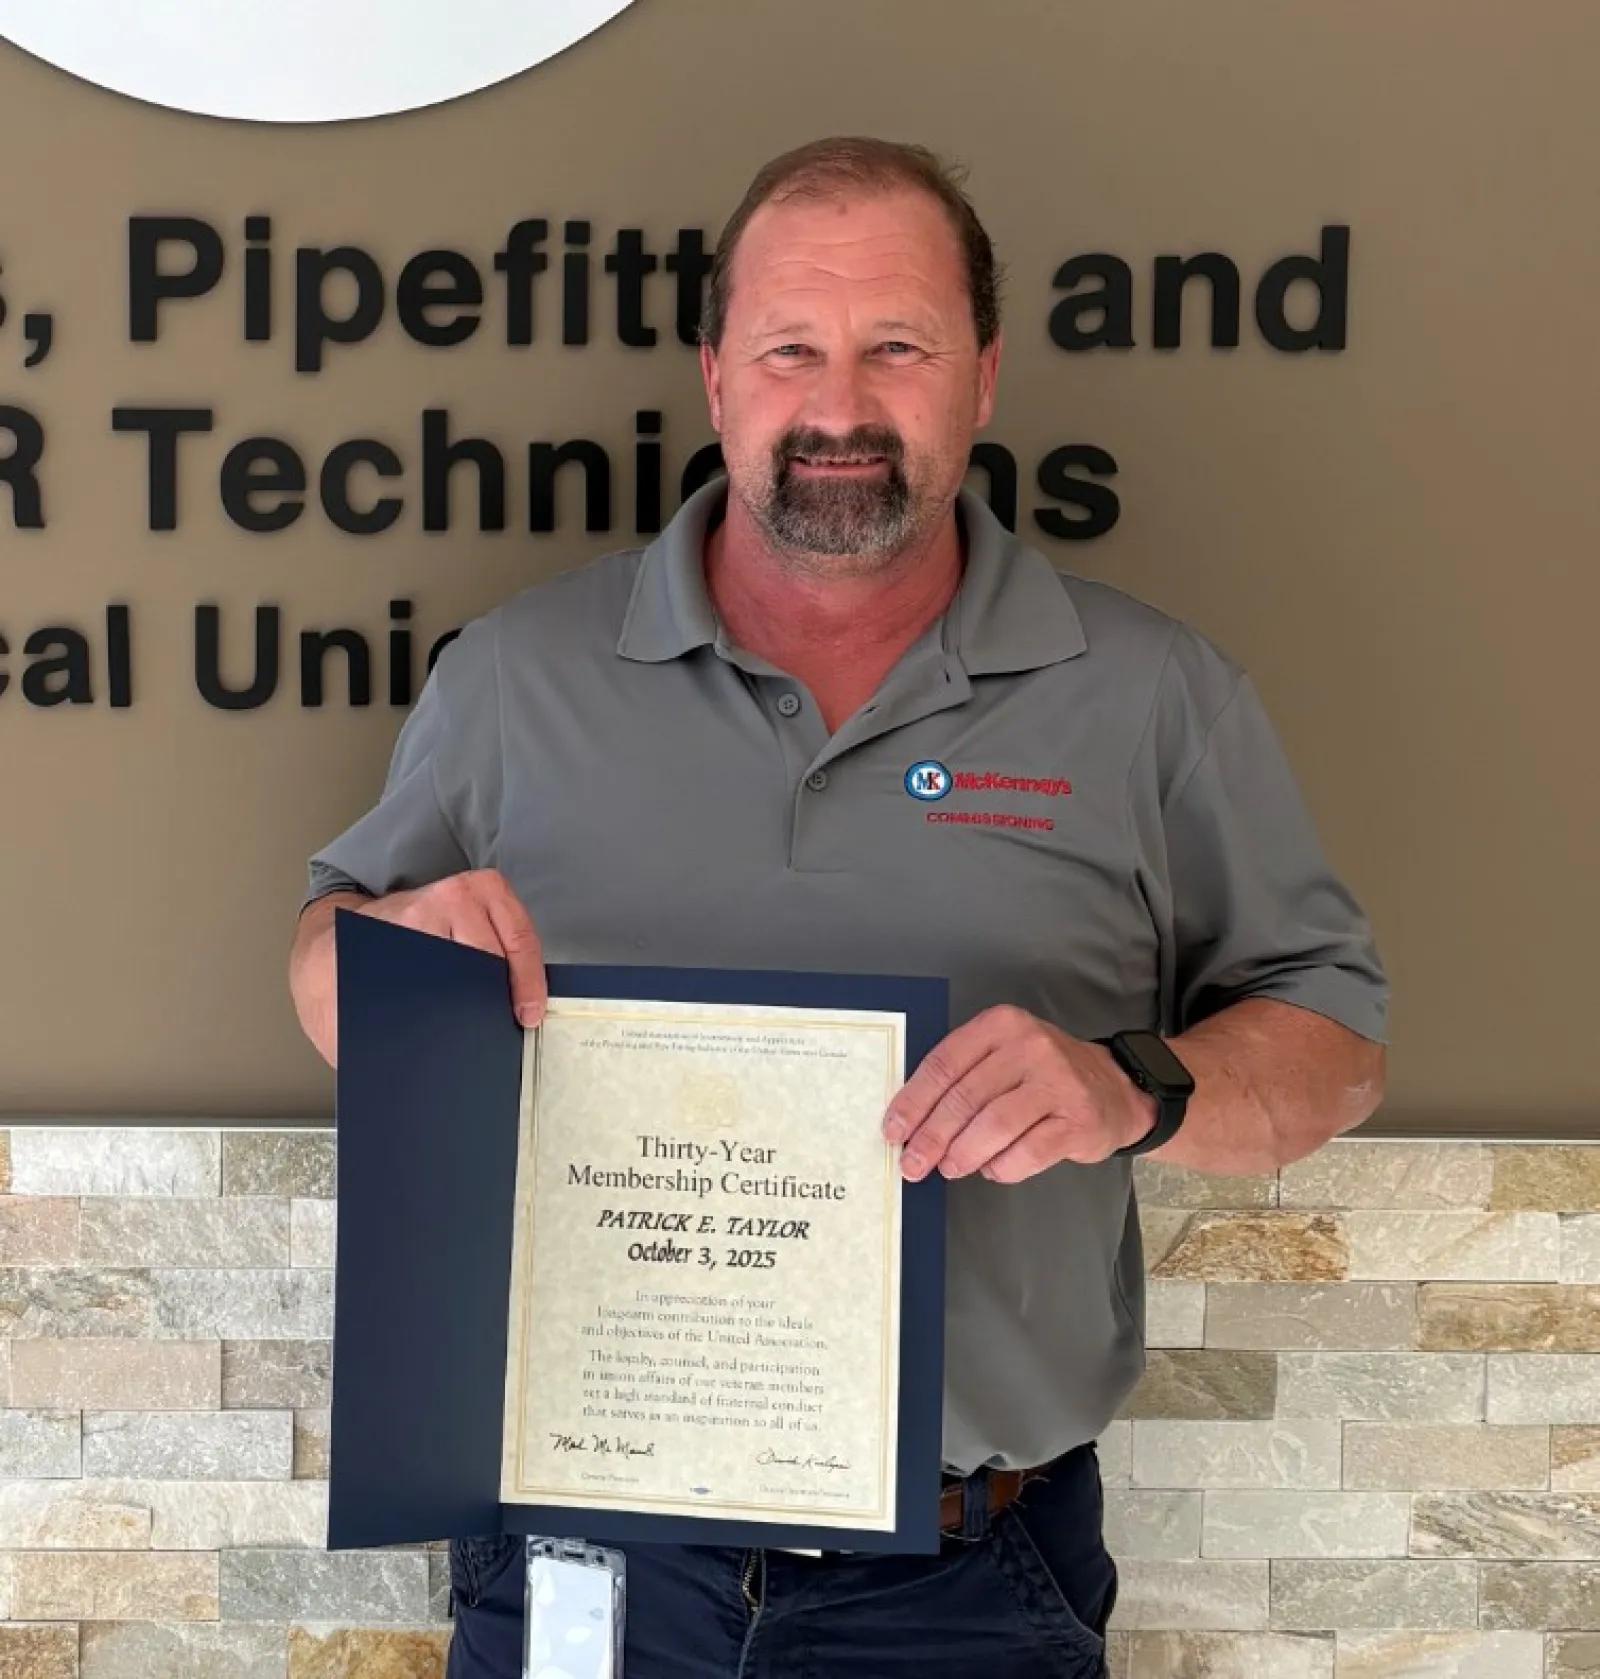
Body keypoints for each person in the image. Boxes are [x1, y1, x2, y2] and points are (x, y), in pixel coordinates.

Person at [288, 135, 1388, 1679]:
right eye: (791, 347)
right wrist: (396, 976)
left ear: (984, 375)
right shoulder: (517, 677)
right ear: (717, 375)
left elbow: (1332, 1048)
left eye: (900, 347)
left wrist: (1127, 1086)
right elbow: (332, 959)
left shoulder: (1154, 698)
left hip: (967, 1579)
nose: (842, 407)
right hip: (590, 1551)